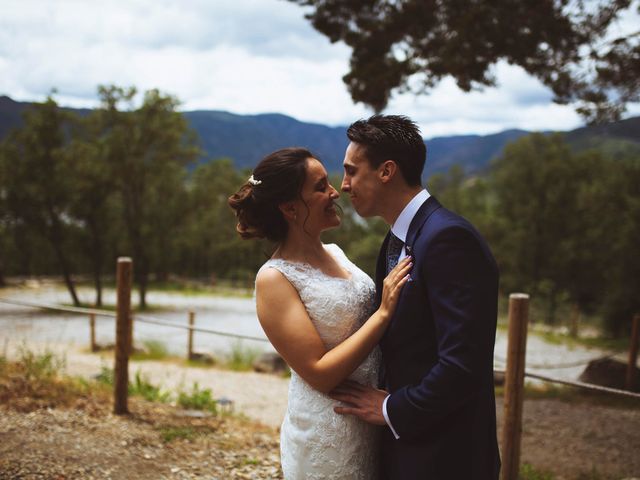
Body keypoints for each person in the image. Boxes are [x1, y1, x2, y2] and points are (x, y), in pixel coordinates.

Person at [330, 115, 501, 479]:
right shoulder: (396, 239)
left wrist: (393, 409)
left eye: (352, 171)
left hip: (446, 456)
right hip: (408, 449)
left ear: (386, 171)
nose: (343, 185)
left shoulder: (449, 239)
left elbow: (463, 364)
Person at [228, 147, 412, 479]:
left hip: (368, 420)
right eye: (319, 186)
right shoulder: (274, 279)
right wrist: (382, 314)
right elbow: (318, 373)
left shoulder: (337, 253)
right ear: (289, 208)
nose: (334, 192)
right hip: (326, 433)